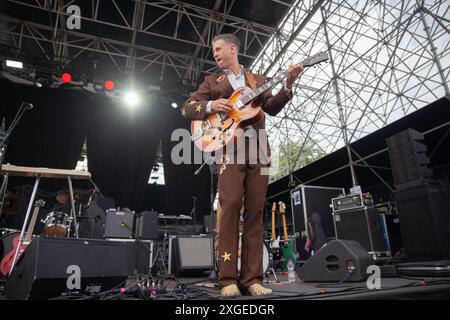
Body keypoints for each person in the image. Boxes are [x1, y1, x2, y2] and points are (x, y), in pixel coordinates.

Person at [181, 34, 303, 297]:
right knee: (231, 205)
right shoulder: (212, 81)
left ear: (233, 49)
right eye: (213, 51)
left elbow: (272, 108)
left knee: (256, 212)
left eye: (218, 49)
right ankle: (227, 280)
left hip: (258, 149)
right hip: (229, 149)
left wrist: (289, 84)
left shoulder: (257, 80)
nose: (214, 54)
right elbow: (187, 108)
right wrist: (212, 104)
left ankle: (252, 279)